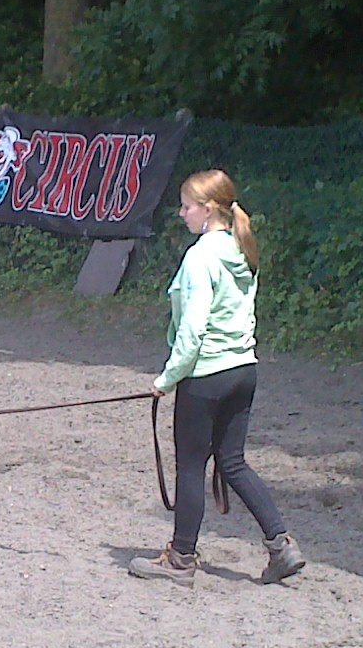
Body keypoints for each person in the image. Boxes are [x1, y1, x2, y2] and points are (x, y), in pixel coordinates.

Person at [131, 169, 306, 585]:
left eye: (187, 207)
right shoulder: (242, 249)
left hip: (206, 375)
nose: (182, 214)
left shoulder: (201, 256)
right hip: (243, 370)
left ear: (208, 210)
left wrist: (167, 378)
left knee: (191, 466)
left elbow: (193, 330)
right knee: (232, 462)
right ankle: (281, 545)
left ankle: (180, 560)